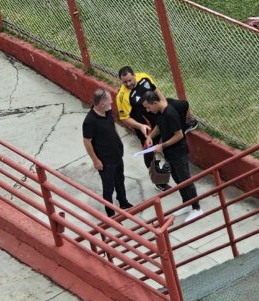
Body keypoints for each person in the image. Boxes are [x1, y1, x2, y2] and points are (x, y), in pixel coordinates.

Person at [116, 66, 198, 192]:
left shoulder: (144, 77)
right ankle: (159, 181)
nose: (128, 84)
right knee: (149, 151)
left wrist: (165, 108)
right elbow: (125, 118)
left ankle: (184, 126)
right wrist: (140, 126)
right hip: (145, 126)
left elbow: (157, 92)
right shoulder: (122, 96)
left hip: (158, 113)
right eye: (124, 82)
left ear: (134, 75)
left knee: (182, 105)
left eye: (130, 80)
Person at [142, 90, 203, 222]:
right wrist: (150, 137)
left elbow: (179, 135)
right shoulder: (159, 112)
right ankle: (187, 203)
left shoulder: (170, 113)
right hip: (169, 153)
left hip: (178, 152)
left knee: (185, 180)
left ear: (155, 103)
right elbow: (158, 126)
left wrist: (162, 146)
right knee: (177, 179)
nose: (147, 110)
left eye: (148, 107)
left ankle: (197, 208)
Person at [83, 89, 133, 217]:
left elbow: (112, 126)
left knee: (120, 180)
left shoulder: (108, 111)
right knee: (108, 187)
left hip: (117, 155)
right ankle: (110, 213)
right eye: (109, 100)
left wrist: (118, 141)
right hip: (105, 161)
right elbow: (87, 142)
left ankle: (123, 202)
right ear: (101, 104)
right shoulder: (89, 121)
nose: (112, 101)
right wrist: (96, 160)